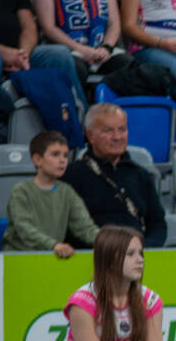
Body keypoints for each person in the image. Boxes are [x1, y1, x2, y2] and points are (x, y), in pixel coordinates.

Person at [62, 104, 168, 248]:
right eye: (108, 131)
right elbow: (64, 227)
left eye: (122, 130)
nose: (117, 137)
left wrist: (143, 250)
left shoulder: (141, 175)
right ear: (90, 135)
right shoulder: (71, 175)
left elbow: (157, 224)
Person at [4, 129, 99, 255]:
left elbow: (85, 227)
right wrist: (53, 245)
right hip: (17, 257)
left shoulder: (67, 192)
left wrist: (110, 241)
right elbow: (24, 228)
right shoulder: (21, 191)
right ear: (37, 160)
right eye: (55, 154)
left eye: (65, 155)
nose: (62, 160)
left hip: (51, 256)